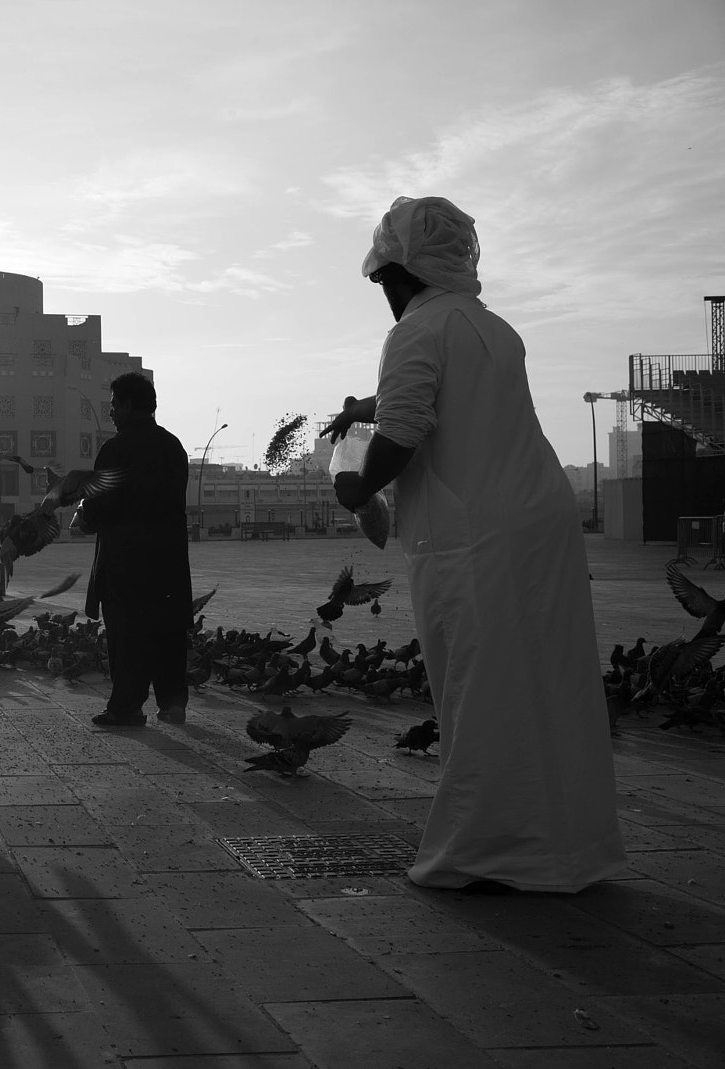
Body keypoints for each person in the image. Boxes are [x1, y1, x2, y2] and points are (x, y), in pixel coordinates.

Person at [327, 195, 624, 893]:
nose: (383, 296)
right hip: (539, 523)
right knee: (548, 684)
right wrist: (366, 406)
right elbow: (451, 400)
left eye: (382, 282)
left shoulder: (414, 333)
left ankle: (485, 848)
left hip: (474, 536)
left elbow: (403, 433)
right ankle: (567, 848)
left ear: (400, 273)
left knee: (479, 690)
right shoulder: (493, 327)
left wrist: (354, 488)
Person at [82, 371, 193, 727]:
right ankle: (173, 704)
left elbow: (100, 508)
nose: (111, 412)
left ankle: (127, 707)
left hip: (126, 562)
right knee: (167, 635)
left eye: (114, 405)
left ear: (129, 405)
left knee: (127, 637)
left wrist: (84, 513)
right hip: (167, 562)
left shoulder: (116, 450)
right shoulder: (173, 446)